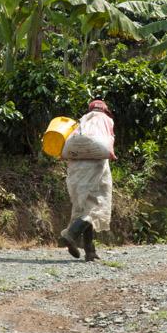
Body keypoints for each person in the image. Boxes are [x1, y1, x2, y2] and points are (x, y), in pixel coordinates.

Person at [60, 99, 115, 262]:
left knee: (83, 206)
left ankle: (90, 251)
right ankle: (71, 234)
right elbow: (109, 143)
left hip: (75, 169)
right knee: (98, 205)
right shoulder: (107, 120)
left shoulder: (82, 122)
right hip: (95, 168)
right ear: (105, 110)